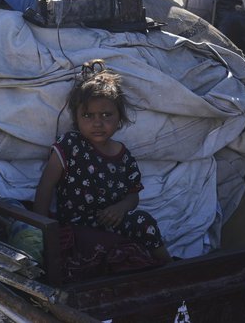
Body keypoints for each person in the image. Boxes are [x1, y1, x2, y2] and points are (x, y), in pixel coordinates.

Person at [33, 59, 171, 263]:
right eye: (88, 115)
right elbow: (46, 186)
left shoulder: (124, 157)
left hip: (112, 223)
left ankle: (169, 266)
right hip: (76, 227)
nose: (98, 123)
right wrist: (41, 229)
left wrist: (121, 208)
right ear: (77, 118)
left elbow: (133, 196)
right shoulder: (70, 145)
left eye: (107, 115)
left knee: (144, 222)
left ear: (120, 118)